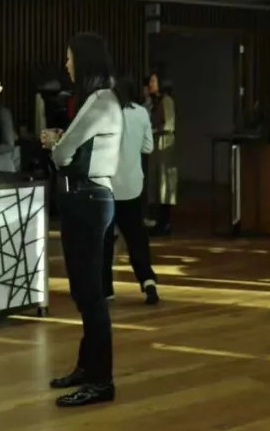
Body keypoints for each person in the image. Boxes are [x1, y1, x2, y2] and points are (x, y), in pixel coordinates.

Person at [42, 32, 123, 407]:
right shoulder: (100, 100)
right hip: (87, 199)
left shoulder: (99, 101)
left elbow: (62, 156)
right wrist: (62, 141)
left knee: (90, 295)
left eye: (71, 58)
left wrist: (55, 142)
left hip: (87, 200)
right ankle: (86, 368)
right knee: (83, 292)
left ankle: (101, 381)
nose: (67, 65)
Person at [106, 75, 160, 305]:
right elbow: (148, 146)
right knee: (137, 239)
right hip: (133, 186)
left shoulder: (106, 115)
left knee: (105, 240)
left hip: (108, 186)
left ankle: (105, 289)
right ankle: (147, 281)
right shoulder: (141, 113)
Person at [144, 72, 178, 236]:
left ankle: (164, 223)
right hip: (156, 145)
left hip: (164, 145)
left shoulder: (167, 101)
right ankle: (157, 221)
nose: (150, 84)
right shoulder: (155, 102)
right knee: (155, 182)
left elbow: (169, 124)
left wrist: (153, 130)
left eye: (153, 81)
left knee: (164, 183)